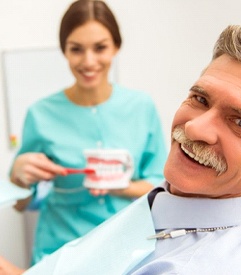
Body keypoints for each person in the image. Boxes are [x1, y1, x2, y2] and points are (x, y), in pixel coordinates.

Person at [1, 24, 241, 275]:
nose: (194, 129)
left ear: (116, 48)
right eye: (200, 98)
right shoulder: (179, 198)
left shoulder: (202, 263)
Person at [9, 0, 167, 266]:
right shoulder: (40, 114)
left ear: (116, 46)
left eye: (100, 47)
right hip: (59, 254)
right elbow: (21, 204)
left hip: (127, 251)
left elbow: (162, 187)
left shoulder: (141, 107)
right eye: (76, 49)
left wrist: (123, 187)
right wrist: (18, 177)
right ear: (64, 51)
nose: (88, 61)